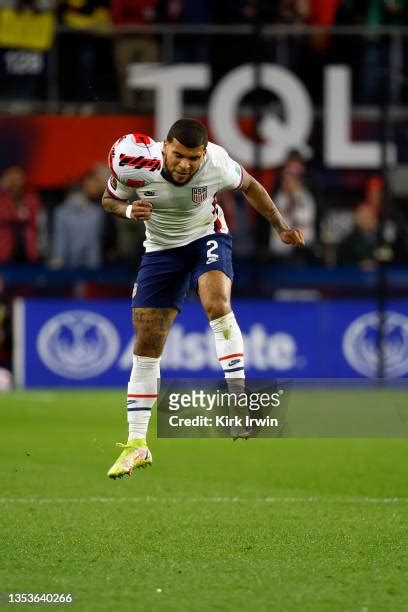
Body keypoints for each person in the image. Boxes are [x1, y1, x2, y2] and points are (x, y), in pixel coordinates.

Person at [102, 118, 304, 479]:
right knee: (146, 344)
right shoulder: (130, 160)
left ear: (203, 155)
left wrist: (281, 227)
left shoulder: (217, 163)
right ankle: (137, 444)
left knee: (216, 303)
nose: (185, 165)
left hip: (205, 238)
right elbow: (109, 200)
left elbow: (252, 186)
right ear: (164, 147)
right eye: (178, 155)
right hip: (160, 250)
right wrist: (129, 210)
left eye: (193, 159)